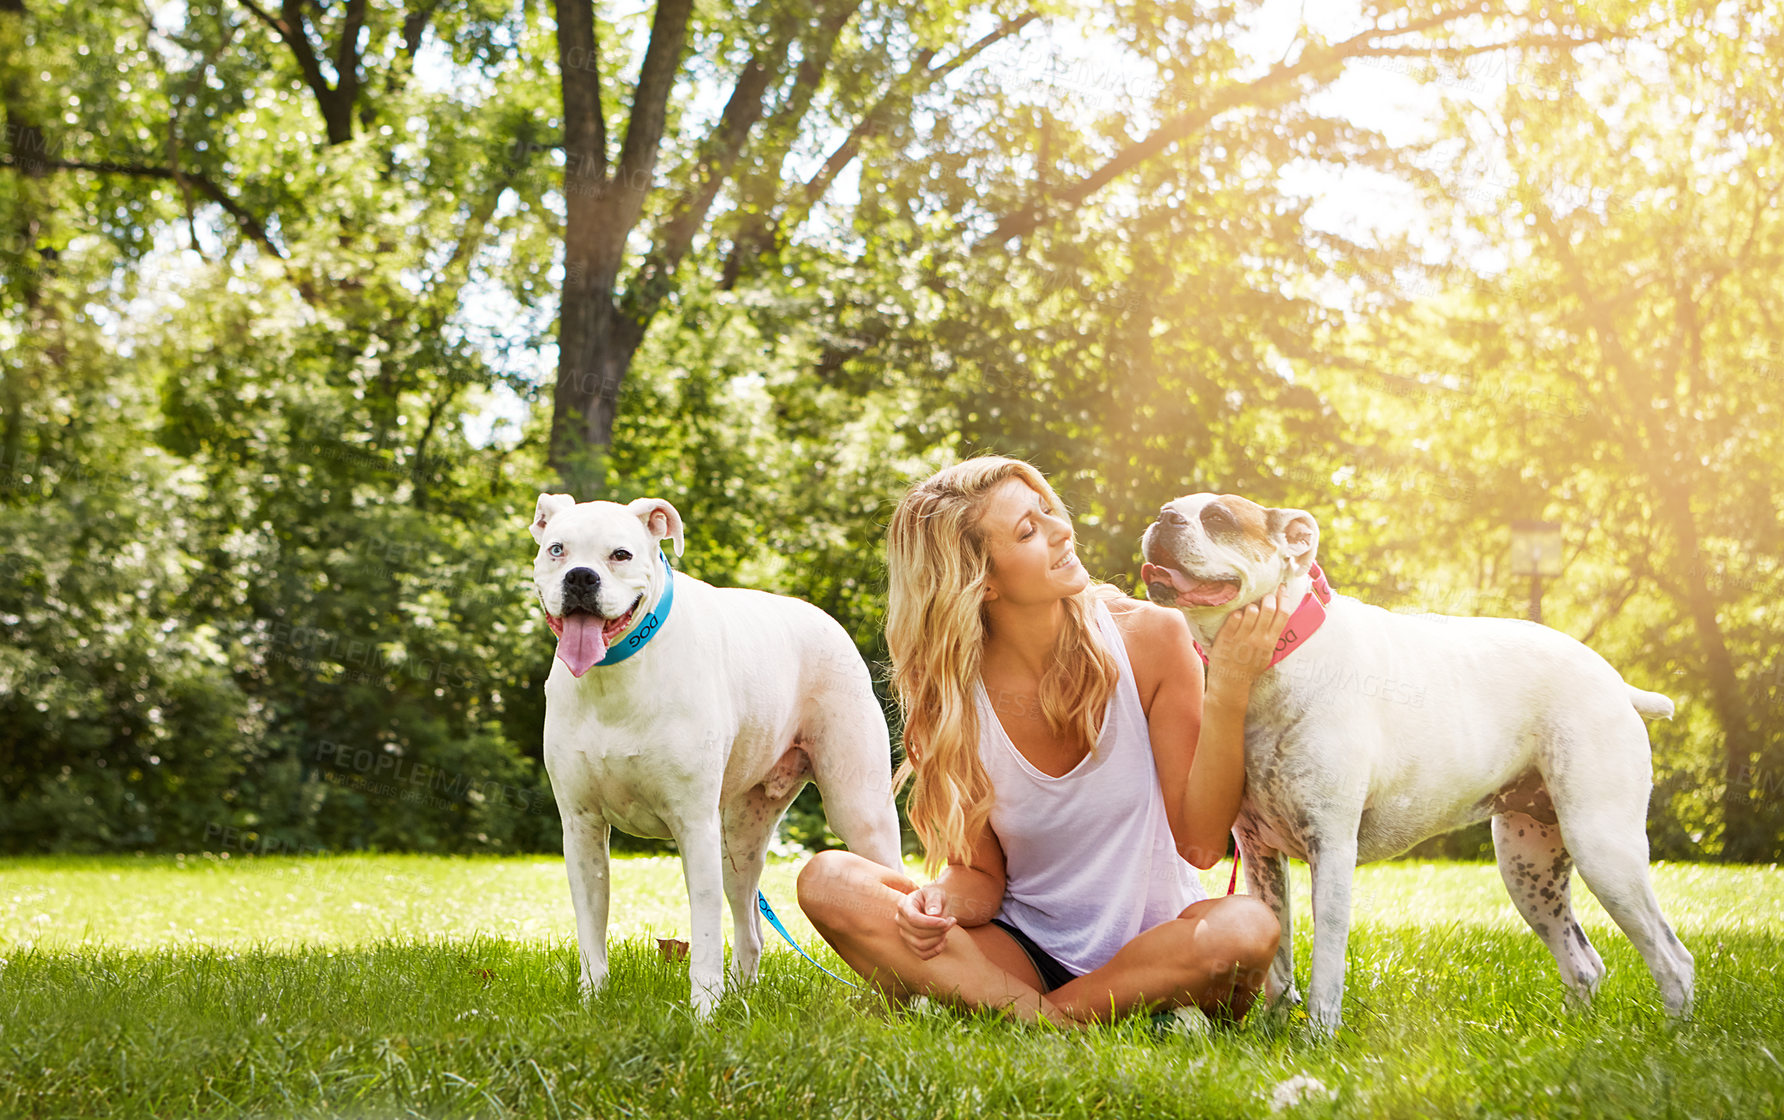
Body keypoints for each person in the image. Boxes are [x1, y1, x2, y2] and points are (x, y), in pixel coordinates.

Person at [796, 455, 1288, 1027]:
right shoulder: (951, 695)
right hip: (1024, 952)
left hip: (1158, 951)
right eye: (1029, 531)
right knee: (829, 880)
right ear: (980, 581)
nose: (1062, 531)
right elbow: (981, 878)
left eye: (1048, 511)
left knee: (1248, 926)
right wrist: (942, 901)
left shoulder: (1150, 638)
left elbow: (1200, 846)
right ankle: (1061, 1018)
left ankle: (1024, 1016)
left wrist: (1227, 686)